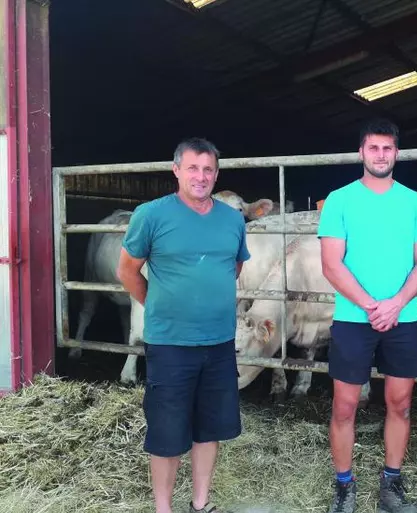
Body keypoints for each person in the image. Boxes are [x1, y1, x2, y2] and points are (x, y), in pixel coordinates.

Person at [117, 137, 250, 513]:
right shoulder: (152, 215)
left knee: (210, 428)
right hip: (171, 344)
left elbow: (234, 266)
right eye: (192, 168)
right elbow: (127, 270)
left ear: (216, 173)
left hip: (220, 342)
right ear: (176, 170)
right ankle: (164, 508)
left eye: (208, 169)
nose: (201, 176)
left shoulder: (231, 219)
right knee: (167, 432)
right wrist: (159, 305)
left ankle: (200, 503)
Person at [318, 118, 417, 513]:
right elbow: (331, 265)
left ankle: (391, 484)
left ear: (396, 153)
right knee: (344, 406)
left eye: (387, 148)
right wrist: (372, 305)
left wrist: (396, 303)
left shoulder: (415, 202)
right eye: (373, 148)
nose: (380, 155)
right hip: (354, 318)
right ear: (361, 153)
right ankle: (344, 485)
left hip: (402, 316)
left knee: (400, 403)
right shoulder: (338, 200)